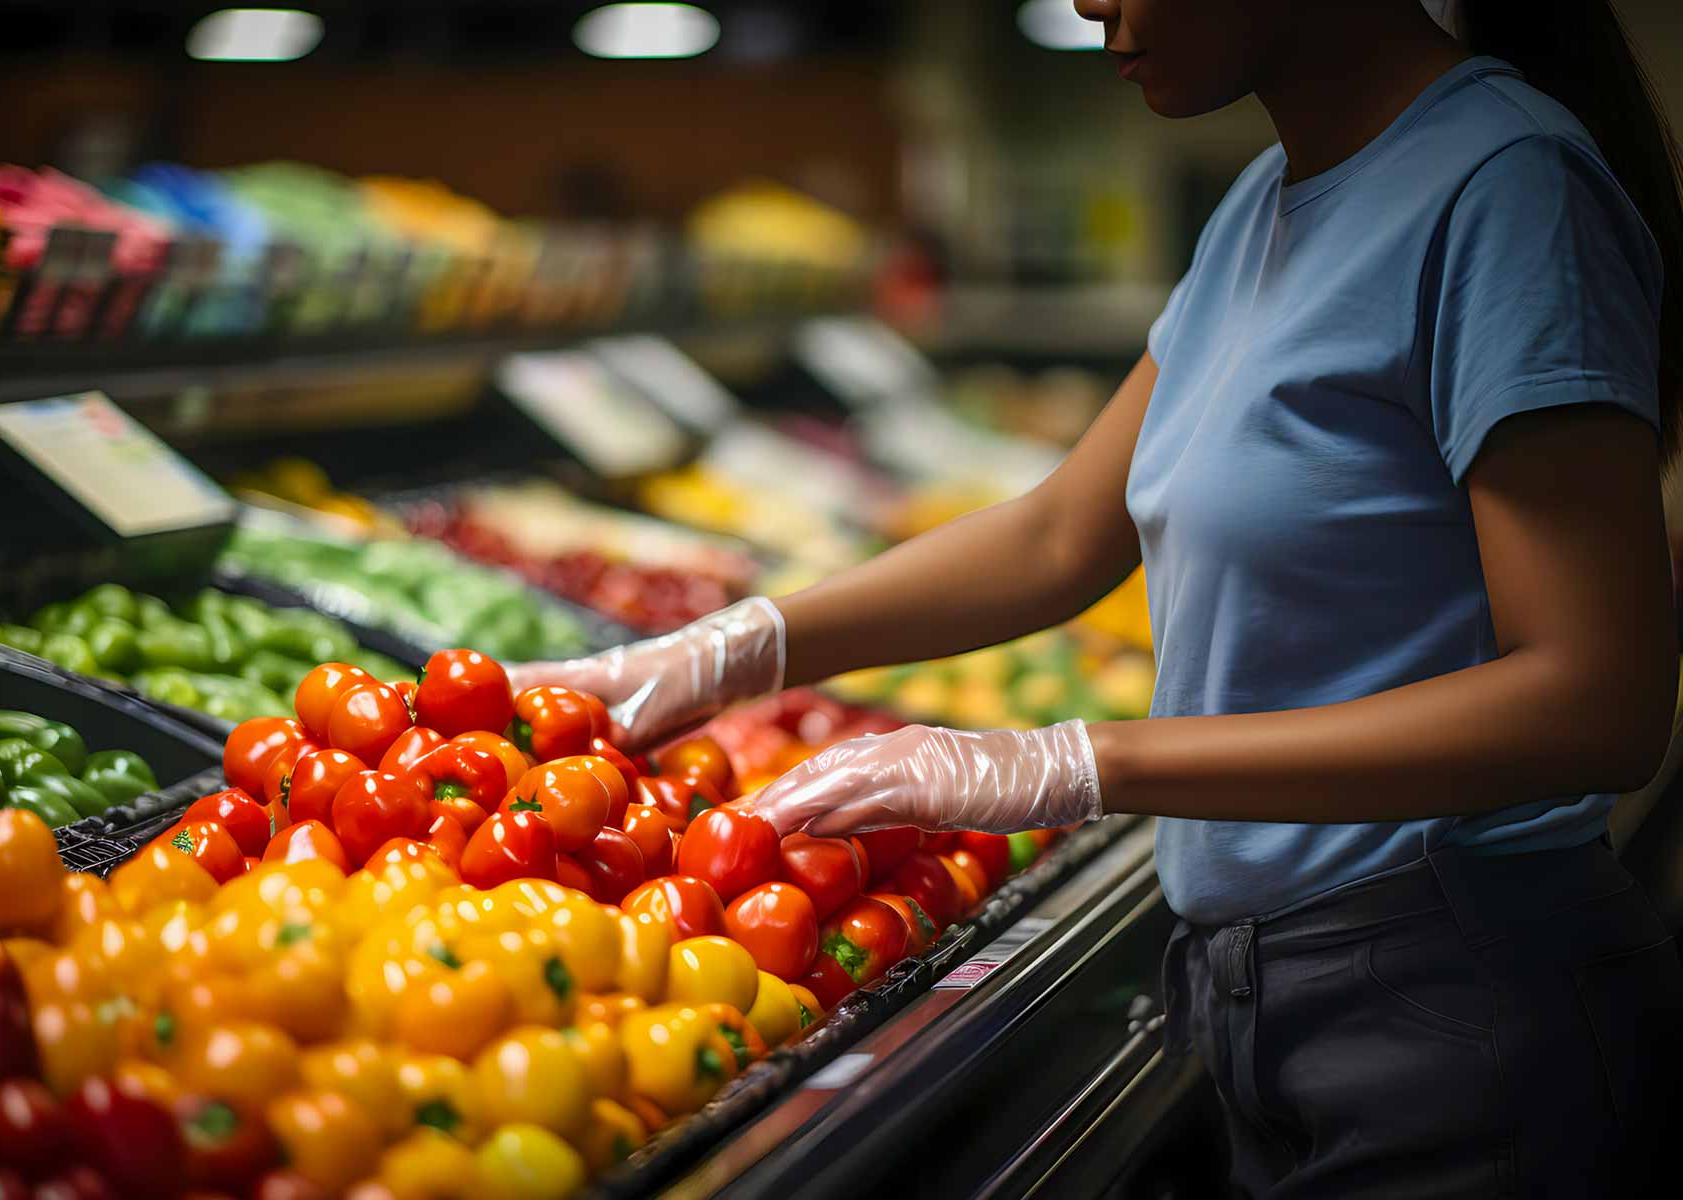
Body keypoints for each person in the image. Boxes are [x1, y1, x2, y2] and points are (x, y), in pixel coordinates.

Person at [512, 0, 1683, 1194]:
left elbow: (1597, 702)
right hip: (1269, 992)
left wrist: (1079, 760)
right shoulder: (1264, 204)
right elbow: (1056, 536)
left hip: (1458, 1002)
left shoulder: (1509, 192)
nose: (1084, 1)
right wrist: (729, 648)